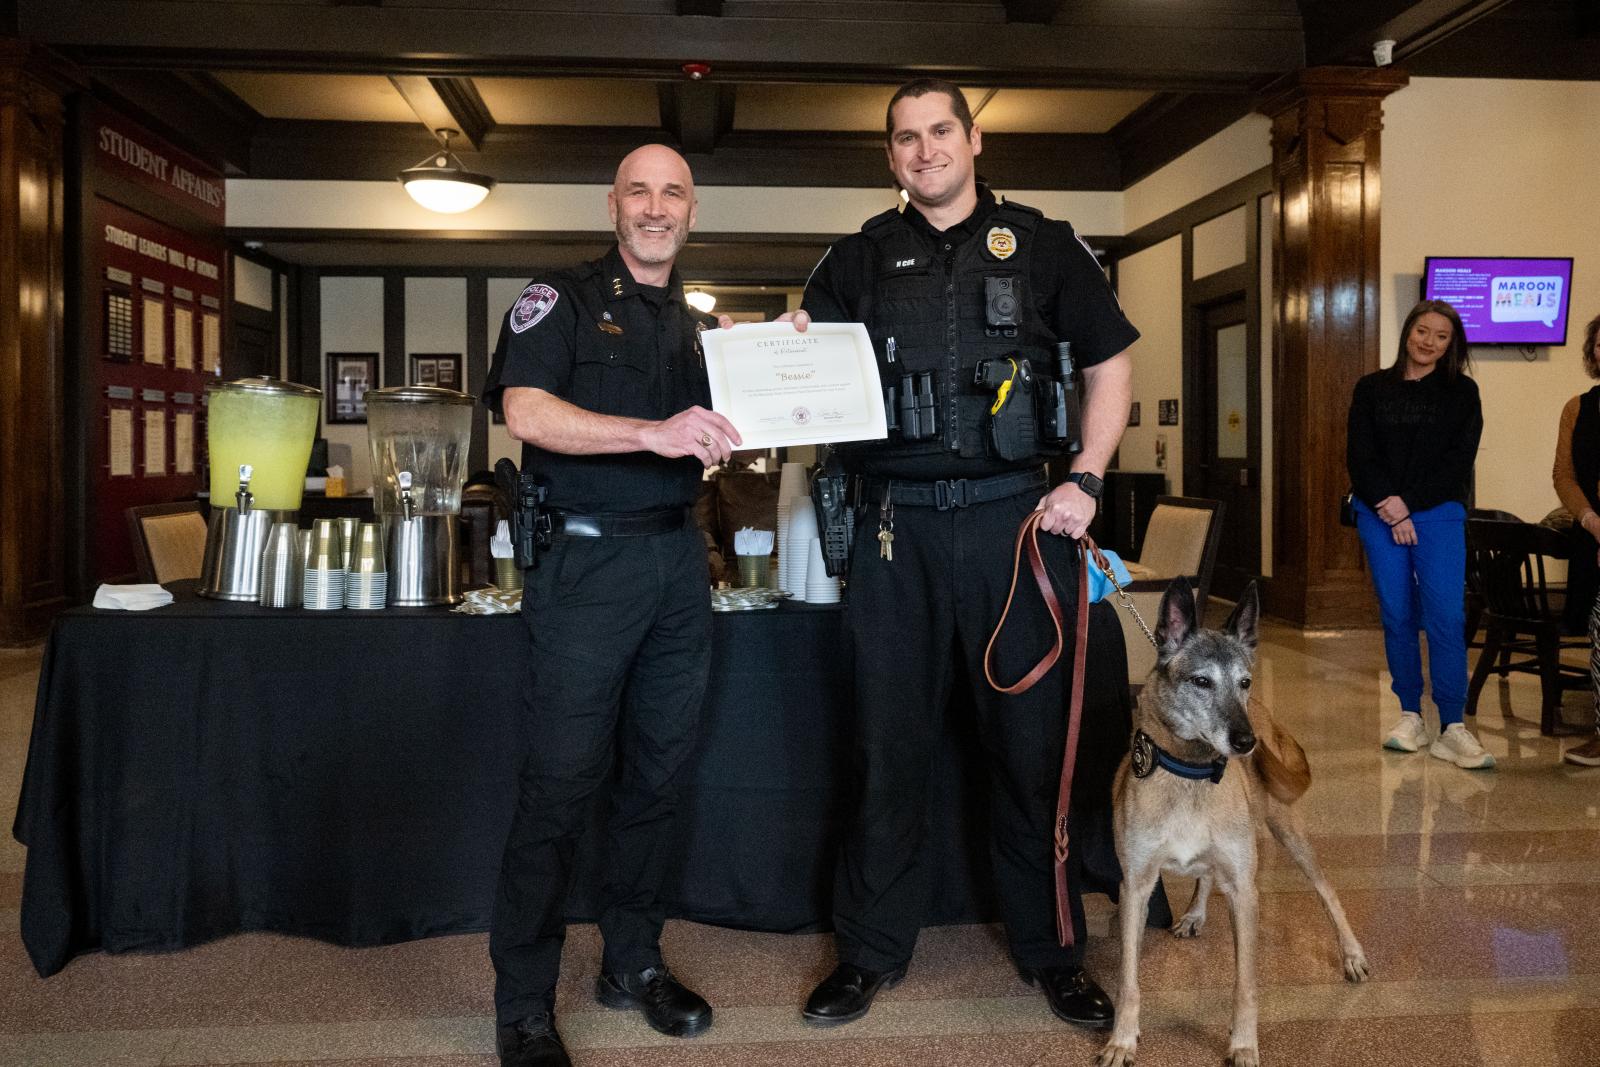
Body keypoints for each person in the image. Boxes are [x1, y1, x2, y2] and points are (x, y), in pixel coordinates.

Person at [782, 79, 1137, 1030]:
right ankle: (867, 953)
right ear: (891, 155)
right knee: (885, 752)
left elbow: (1109, 362)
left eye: (941, 130)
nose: (925, 149)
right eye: (907, 138)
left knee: (1029, 755)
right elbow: (803, 358)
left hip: (1014, 528)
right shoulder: (855, 257)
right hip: (893, 530)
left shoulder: (1048, 243)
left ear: (973, 140)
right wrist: (776, 356)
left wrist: (1089, 478)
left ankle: (1054, 951)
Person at [481, 144, 741, 1067]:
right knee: (558, 787)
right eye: (641, 191)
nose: (656, 207)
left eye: (673, 193)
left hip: (678, 566)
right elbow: (525, 412)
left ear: (692, 211)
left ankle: (631, 961)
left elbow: (733, 423)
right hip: (586, 570)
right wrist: (650, 431)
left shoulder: (696, 326)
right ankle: (522, 1002)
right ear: (614, 204)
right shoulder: (560, 297)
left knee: (659, 780)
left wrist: (784, 363)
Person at [1347, 298, 1491, 769]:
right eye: (1422, 331)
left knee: (1446, 617)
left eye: (1441, 336)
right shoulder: (1371, 389)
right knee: (1398, 616)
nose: (1429, 342)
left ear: (1452, 344)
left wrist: (1408, 505)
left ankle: (1453, 725)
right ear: (1408, 332)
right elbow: (1360, 456)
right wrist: (1391, 506)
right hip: (1378, 512)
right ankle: (1411, 715)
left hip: (1438, 514)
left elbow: (1458, 461)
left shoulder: (1462, 392)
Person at [1551, 312, 1600, 766]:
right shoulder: (1578, 407)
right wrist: (1588, 517)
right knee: (1599, 633)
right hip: (1593, 536)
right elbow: (1563, 475)